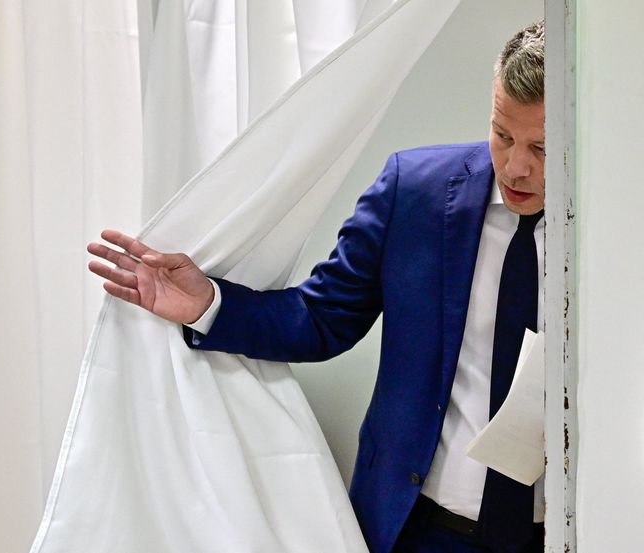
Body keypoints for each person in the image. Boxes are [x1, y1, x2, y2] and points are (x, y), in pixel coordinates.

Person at [87, 20, 546, 553]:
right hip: (416, 531)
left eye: (541, 147)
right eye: (502, 135)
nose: (516, 167)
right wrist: (209, 303)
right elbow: (321, 317)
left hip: (564, 532)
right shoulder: (416, 191)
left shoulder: (615, 232)